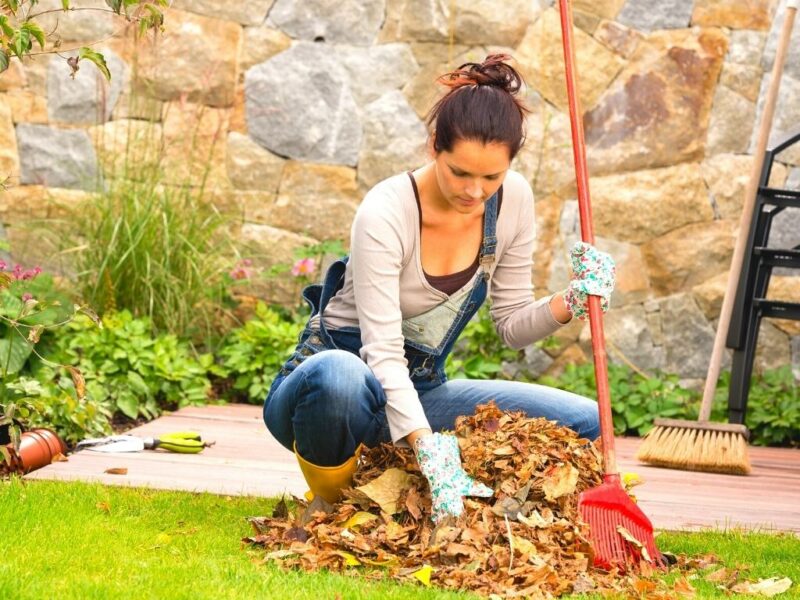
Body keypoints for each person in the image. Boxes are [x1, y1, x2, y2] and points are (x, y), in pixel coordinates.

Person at [263, 54, 615, 523]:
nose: (475, 192)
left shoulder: (514, 202)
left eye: (492, 176)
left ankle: (467, 505)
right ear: (434, 147)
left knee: (586, 421)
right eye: (460, 173)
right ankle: (332, 507)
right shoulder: (385, 213)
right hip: (331, 393)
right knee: (339, 377)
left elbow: (511, 326)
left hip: (419, 389)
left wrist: (571, 301)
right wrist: (430, 448)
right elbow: (382, 354)